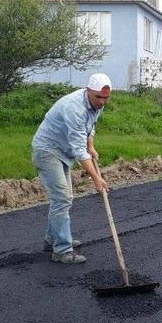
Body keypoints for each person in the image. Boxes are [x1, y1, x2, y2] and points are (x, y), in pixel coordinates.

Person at [32, 73, 111, 264]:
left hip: (62, 153)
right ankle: (62, 250)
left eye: (106, 98)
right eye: (98, 97)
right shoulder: (74, 107)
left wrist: (91, 146)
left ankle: (53, 239)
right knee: (62, 198)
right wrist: (95, 178)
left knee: (63, 198)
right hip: (47, 151)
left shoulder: (96, 105)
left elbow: (90, 128)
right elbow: (78, 149)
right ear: (88, 91)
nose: (102, 102)